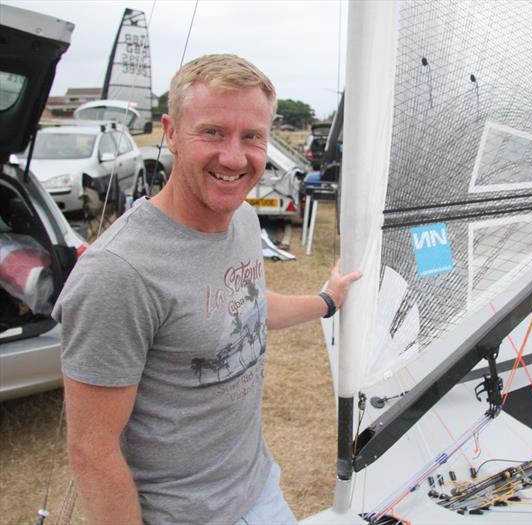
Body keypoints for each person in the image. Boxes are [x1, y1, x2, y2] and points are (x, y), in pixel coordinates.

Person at [53, 54, 360, 525]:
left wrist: (326, 301)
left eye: (252, 136)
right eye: (213, 132)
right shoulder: (117, 273)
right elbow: (92, 452)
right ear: (171, 133)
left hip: (258, 488)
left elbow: (245, 306)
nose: (235, 158)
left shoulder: (243, 218)